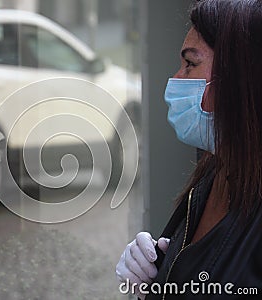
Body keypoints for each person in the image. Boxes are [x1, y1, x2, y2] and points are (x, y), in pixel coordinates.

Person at [116, 0, 262, 299]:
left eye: (190, 63)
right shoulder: (214, 169)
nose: (177, 77)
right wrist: (156, 276)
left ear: (241, 77)